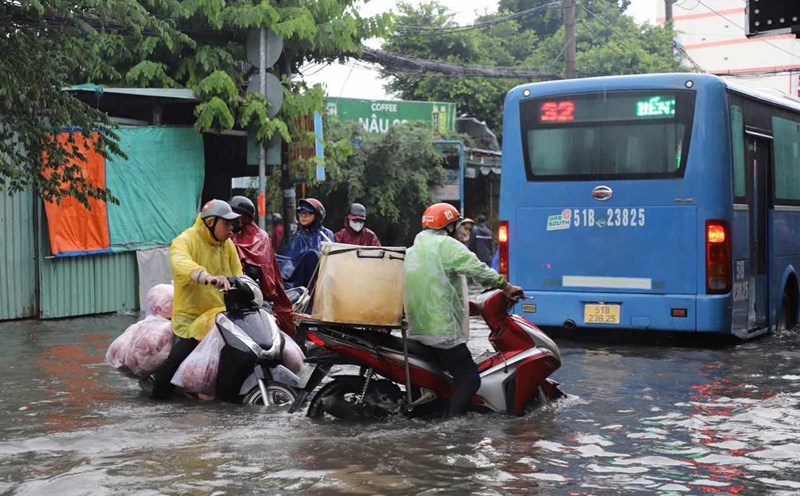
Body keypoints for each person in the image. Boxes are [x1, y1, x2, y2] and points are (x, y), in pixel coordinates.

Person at [404, 203, 523, 418]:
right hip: (441, 331)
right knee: (469, 379)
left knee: (441, 376)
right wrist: (506, 287)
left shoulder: (412, 251)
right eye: (458, 225)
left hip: (415, 329)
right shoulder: (446, 245)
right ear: (449, 226)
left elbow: (435, 287)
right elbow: (478, 270)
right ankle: (451, 425)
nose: (461, 230)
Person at [150, 199, 244, 399]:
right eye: (226, 223)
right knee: (175, 361)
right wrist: (206, 277)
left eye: (231, 224)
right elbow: (181, 263)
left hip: (220, 316)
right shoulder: (185, 241)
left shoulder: (227, 245)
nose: (231, 228)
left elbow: (238, 273)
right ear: (211, 222)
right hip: (191, 319)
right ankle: (156, 401)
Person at [228, 196, 295, 335]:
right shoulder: (226, 235)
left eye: (237, 214)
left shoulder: (260, 237)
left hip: (257, 296)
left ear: (246, 217)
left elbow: (266, 274)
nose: (232, 218)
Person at [280, 198, 334, 289]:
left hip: (321, 284)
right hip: (297, 286)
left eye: (308, 213)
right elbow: (287, 264)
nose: (303, 216)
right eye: (301, 213)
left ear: (317, 215)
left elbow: (332, 263)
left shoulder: (326, 235)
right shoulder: (295, 237)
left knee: (311, 255)